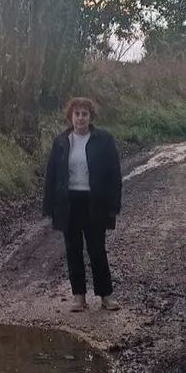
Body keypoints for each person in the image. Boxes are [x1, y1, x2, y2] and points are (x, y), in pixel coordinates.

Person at [43, 97, 122, 312]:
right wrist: (49, 204)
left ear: (91, 117)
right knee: (73, 250)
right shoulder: (61, 141)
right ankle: (79, 297)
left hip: (94, 202)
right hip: (69, 203)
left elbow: (114, 174)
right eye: (76, 114)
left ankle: (106, 296)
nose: (80, 118)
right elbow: (52, 175)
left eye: (84, 114)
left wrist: (114, 204)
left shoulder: (103, 140)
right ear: (70, 117)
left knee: (97, 250)